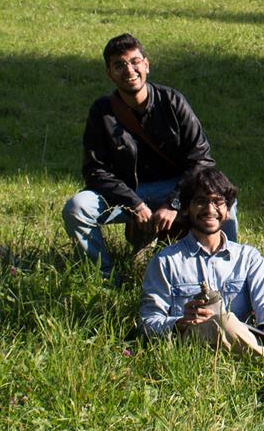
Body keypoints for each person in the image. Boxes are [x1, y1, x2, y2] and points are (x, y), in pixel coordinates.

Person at [140, 166, 264, 407]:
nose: (210, 209)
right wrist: (180, 322)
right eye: (201, 201)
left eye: (218, 202)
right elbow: (148, 321)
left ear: (227, 210)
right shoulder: (166, 261)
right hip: (200, 341)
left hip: (249, 337)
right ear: (186, 209)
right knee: (223, 321)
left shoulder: (247, 256)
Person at [62, 33, 230, 275]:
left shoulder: (172, 101)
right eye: (119, 65)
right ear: (109, 73)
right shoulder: (102, 112)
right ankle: (104, 278)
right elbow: (95, 170)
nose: (129, 70)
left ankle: (226, 272)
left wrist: (174, 202)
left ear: (147, 65)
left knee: (223, 201)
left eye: (135, 62)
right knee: (76, 208)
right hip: (126, 193)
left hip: (175, 189)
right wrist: (134, 203)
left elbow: (201, 160)